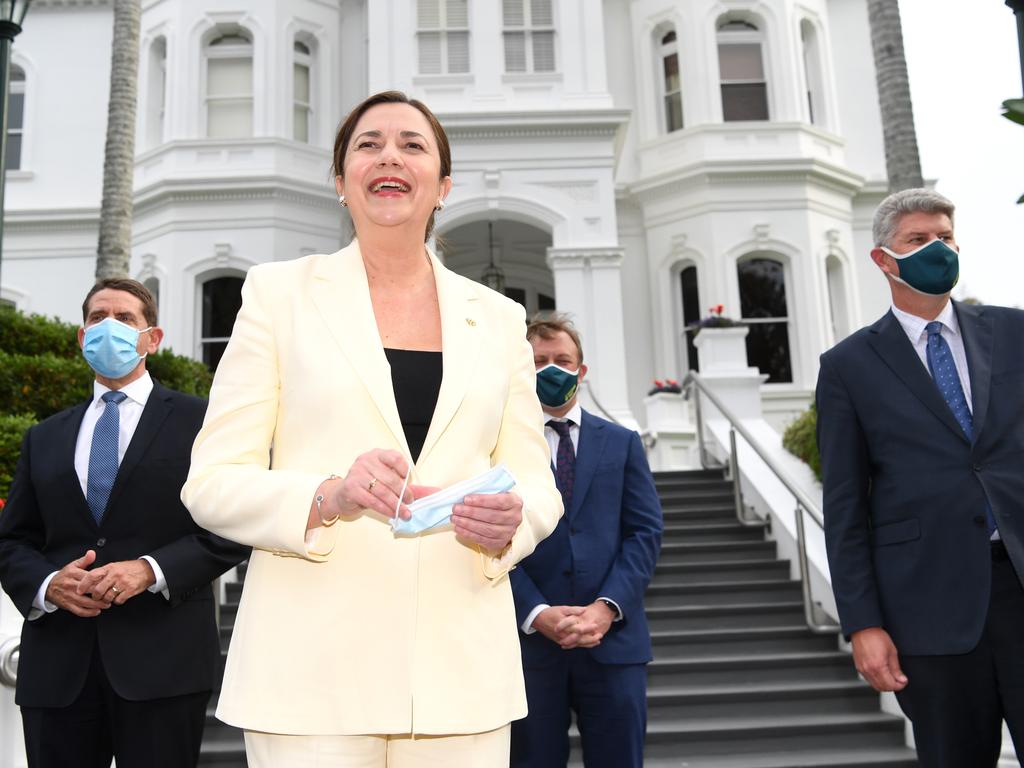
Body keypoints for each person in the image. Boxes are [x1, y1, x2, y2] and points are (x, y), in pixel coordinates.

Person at [180, 90, 563, 767]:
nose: (390, 155)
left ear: (443, 185)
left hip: (462, 677)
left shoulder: (500, 319)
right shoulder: (276, 296)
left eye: (413, 145)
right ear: (340, 181)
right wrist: (329, 495)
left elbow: (537, 481)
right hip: (307, 676)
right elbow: (211, 483)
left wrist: (513, 521)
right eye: (368, 144)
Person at [0, 278, 250, 768]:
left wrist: (149, 569)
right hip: (56, 668)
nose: (108, 328)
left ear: (151, 339)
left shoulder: (203, 423)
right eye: (97, 318)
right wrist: (49, 584)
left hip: (164, 664)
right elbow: (12, 540)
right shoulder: (43, 437)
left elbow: (232, 524)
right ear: (81, 337)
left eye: (125, 318)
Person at [816, 188, 1024, 766]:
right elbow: (846, 507)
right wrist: (863, 624)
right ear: (884, 259)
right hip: (928, 614)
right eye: (919, 239)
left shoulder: (1015, 333)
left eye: (946, 237)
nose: (939, 248)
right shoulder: (848, 367)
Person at [509, 314, 662, 768]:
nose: (551, 369)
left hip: (613, 645)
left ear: (581, 370)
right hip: (530, 651)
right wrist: (537, 613)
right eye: (539, 361)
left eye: (562, 360)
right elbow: (488, 541)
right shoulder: (499, 448)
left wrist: (605, 607)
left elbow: (644, 532)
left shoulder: (622, 442)